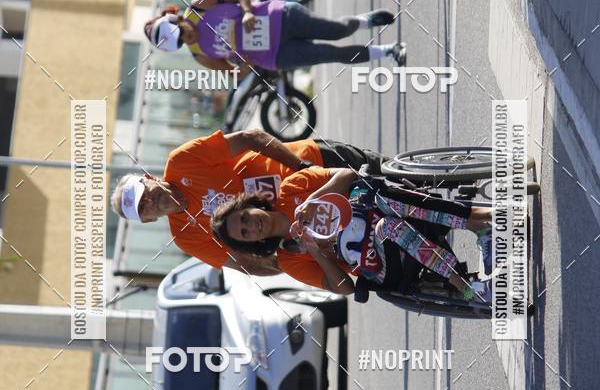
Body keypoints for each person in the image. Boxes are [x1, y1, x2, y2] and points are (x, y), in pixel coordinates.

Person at [110, 129, 385, 276]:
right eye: (141, 207)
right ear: (147, 220)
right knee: (380, 249)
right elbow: (243, 263)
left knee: (385, 173)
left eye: (142, 191)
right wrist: (294, 260)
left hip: (314, 169)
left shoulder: (181, 161)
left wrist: (300, 166)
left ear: (148, 177)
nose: (149, 200)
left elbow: (249, 138)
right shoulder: (186, 238)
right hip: (319, 228)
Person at [210, 166, 495, 300]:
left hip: (382, 206)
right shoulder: (288, 257)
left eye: (245, 217)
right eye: (245, 232)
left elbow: (349, 175)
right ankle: (464, 285)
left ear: (250, 205)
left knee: (385, 201)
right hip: (379, 261)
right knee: (388, 227)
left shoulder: (291, 188)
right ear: (254, 242)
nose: (252, 225)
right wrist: (317, 252)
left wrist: (314, 199)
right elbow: (345, 288)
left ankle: (479, 223)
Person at [145, 0, 406, 72]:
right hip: (275, 56)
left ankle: (363, 21)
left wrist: (247, 12)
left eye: (181, 31)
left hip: (280, 17)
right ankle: (389, 51)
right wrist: (244, 67)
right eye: (180, 42)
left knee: (337, 30)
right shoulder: (200, 55)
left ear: (176, 18)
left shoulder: (200, 6)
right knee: (332, 54)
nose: (186, 36)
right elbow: (233, 74)